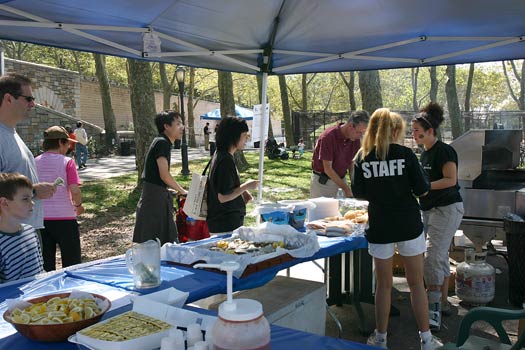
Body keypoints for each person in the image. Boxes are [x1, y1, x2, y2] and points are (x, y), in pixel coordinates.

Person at [352, 108, 442, 350]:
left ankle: (380, 337)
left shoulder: (363, 157)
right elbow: (423, 189)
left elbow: (358, 192)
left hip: (380, 224)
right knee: (416, 283)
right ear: (394, 131)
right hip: (408, 224)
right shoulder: (406, 154)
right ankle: (426, 339)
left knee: (383, 284)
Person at [411, 102, 464, 330]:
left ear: (430, 130)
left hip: (447, 209)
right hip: (429, 210)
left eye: (416, 131)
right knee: (440, 257)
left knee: (431, 258)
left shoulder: (445, 150)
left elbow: (451, 180)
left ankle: (432, 312)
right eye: (412, 131)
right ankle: (442, 304)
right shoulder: (424, 154)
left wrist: (425, 187)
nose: (413, 135)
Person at [0, 74, 56, 231]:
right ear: (9, 99)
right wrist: (33, 191)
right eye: (29, 99)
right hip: (10, 236)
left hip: (26, 230)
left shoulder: (12, 133)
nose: (33, 104)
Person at [133, 110, 187, 245]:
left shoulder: (162, 142)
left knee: (159, 241)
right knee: (155, 242)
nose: (182, 127)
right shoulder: (162, 142)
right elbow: (164, 175)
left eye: (182, 123)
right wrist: (182, 190)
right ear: (166, 126)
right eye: (178, 123)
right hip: (154, 200)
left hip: (155, 196)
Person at [35, 126, 84, 271]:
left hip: (41, 219)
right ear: (60, 143)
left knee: (46, 265)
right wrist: (79, 205)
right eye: (67, 143)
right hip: (65, 219)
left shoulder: (34, 161)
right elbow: (75, 190)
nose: (69, 146)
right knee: (72, 263)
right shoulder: (67, 162)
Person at [206, 116, 259, 233]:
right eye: (245, 135)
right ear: (234, 136)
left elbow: (226, 186)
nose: (247, 139)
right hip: (224, 224)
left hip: (224, 222)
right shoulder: (225, 160)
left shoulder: (221, 155)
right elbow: (223, 197)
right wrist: (247, 186)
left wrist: (243, 193)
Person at [310, 110, 369, 198]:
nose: (360, 136)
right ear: (350, 126)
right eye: (359, 132)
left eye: (363, 133)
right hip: (323, 184)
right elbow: (328, 169)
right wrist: (346, 189)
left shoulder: (355, 140)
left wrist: (354, 185)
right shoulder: (328, 137)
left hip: (341, 181)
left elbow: (351, 164)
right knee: (323, 211)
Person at [0, 173, 44, 283]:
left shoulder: (31, 231)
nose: (32, 203)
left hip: (40, 297)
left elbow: (40, 271)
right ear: (4, 203)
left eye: (31, 197)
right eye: (25, 199)